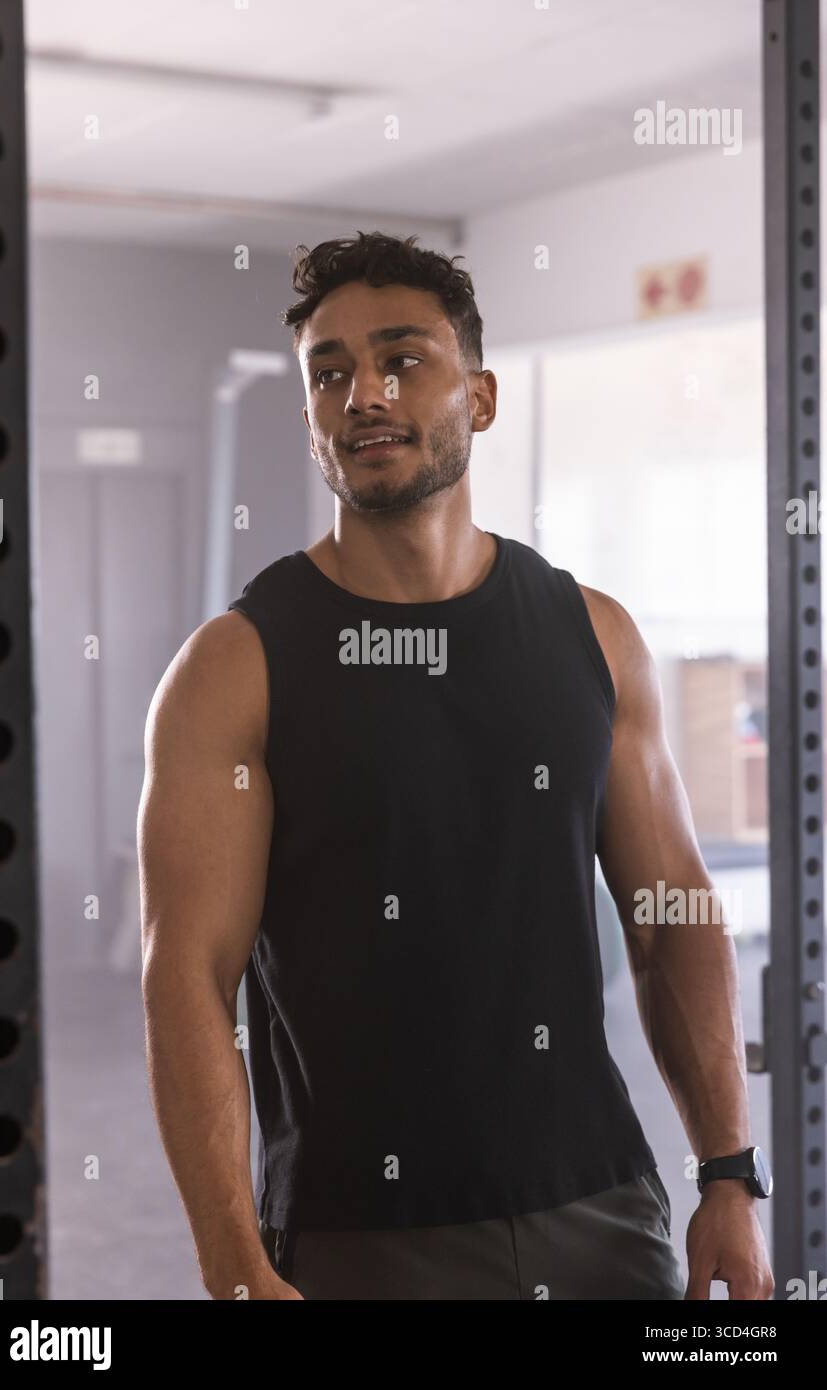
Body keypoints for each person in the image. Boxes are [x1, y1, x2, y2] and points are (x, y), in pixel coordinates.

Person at [138, 231, 774, 1301]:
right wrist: (232, 1263)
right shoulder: (236, 666)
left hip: (602, 1210)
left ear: (478, 397)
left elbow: (670, 919)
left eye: (401, 359)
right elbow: (188, 981)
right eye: (329, 374)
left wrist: (727, 1174)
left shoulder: (594, 635)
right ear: (308, 419)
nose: (363, 395)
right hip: (364, 1234)